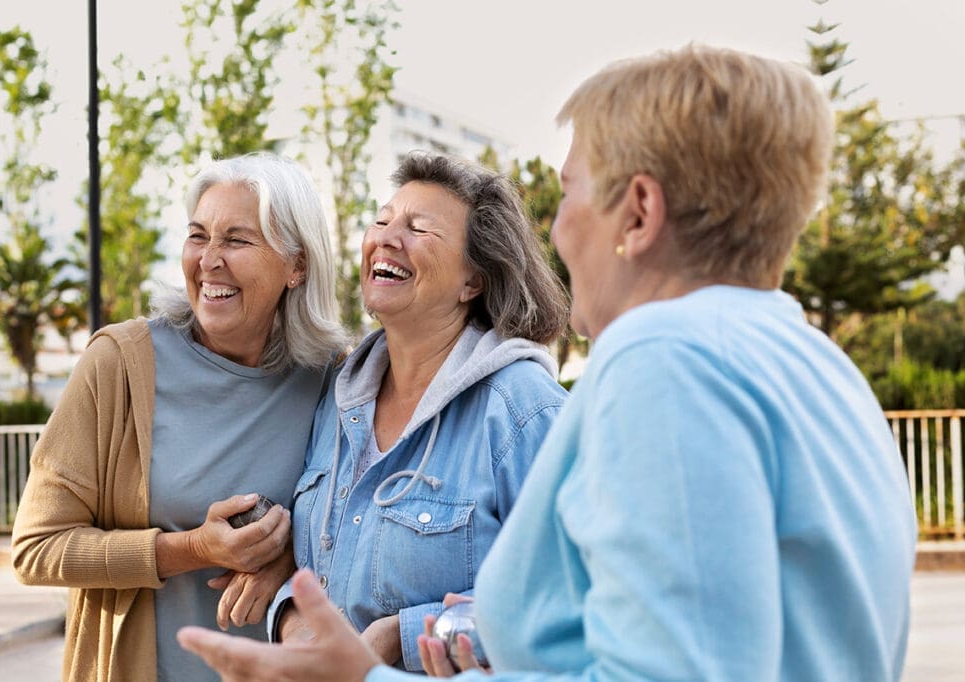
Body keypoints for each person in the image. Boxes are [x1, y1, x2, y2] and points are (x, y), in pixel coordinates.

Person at [177, 45, 918, 682]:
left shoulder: (666, 363)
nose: (555, 229)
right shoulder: (819, 367)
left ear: (638, 214)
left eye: (568, 193)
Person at [11, 152, 348, 682]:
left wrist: (290, 565)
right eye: (198, 235)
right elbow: (36, 548)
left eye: (237, 240)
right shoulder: (120, 363)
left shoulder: (334, 379)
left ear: (297, 265)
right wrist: (191, 548)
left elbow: (361, 538)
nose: (209, 259)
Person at [263, 151, 571, 672]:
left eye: (418, 229)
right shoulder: (337, 398)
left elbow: (569, 600)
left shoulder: (525, 412)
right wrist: (290, 617)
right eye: (382, 220)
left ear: (472, 280)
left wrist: (399, 637)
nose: (387, 237)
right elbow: (309, 568)